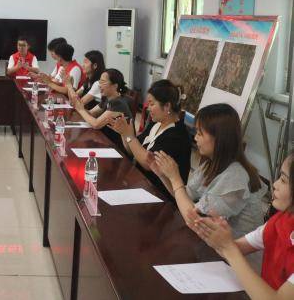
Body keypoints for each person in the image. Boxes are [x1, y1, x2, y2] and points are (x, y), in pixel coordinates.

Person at [152, 103, 266, 237]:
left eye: (200, 133)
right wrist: (162, 175)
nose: (195, 138)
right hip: (216, 241)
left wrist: (175, 178)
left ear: (219, 138)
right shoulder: (211, 163)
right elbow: (186, 195)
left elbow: (195, 220)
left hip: (235, 248)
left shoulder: (236, 177)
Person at [194, 154, 294, 299]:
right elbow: (234, 248)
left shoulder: (236, 176)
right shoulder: (281, 221)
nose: (275, 184)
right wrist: (216, 235)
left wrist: (228, 247)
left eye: (283, 180)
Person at [109, 79, 191, 199]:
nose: (148, 108)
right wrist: (124, 133)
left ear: (167, 106)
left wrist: (130, 136)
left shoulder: (177, 135)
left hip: (159, 196)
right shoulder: (156, 123)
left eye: (152, 104)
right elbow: (133, 151)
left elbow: (147, 163)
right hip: (141, 184)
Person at [75, 68, 133, 146]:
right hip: (106, 140)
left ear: (115, 86)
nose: (99, 85)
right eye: (100, 82)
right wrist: (78, 105)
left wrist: (81, 110)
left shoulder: (118, 103)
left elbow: (96, 124)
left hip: (118, 146)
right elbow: (91, 113)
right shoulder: (107, 98)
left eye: (103, 82)